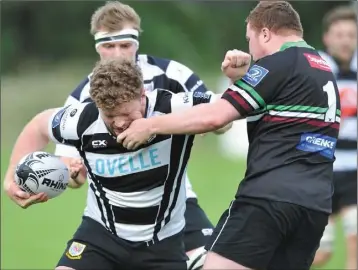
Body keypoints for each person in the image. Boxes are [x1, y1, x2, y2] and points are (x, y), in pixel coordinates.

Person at [116, 2, 342, 269]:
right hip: (314, 206)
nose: (250, 50)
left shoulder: (277, 63)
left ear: (266, 34)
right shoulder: (321, 67)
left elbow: (216, 116)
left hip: (268, 199)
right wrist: (242, 79)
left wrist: (150, 126)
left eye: (250, 40)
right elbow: (279, 113)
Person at [3, 58, 229, 270]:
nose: (119, 123)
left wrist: (238, 77)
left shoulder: (171, 107)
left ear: (142, 95)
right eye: (109, 116)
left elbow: (223, 113)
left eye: (126, 113)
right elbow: (38, 126)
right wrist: (11, 175)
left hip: (161, 245)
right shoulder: (83, 120)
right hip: (101, 237)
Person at [51, 2, 215, 268]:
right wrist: (67, 171)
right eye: (108, 45)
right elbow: (73, 175)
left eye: (125, 44)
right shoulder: (83, 97)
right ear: (96, 47)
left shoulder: (172, 75)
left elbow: (218, 120)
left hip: (175, 202)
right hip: (112, 219)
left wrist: (154, 126)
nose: (117, 54)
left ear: (137, 41)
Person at [313, 6, 357, 270]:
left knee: (354, 233)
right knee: (321, 254)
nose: (345, 40)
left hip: (354, 169)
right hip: (322, 169)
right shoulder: (314, 69)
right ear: (327, 38)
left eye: (351, 35)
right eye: (339, 34)